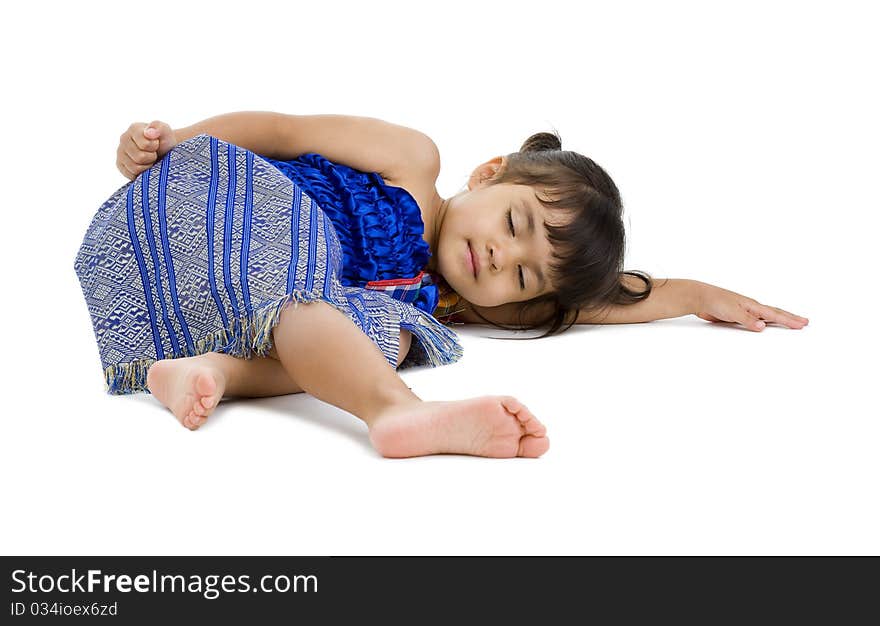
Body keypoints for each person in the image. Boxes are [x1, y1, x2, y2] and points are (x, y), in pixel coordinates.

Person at [78, 111, 808, 459]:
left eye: (523, 274)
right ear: (490, 173)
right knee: (314, 292)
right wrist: (172, 149)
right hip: (210, 208)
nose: (500, 255)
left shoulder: (438, 300)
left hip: (211, 305)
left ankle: (209, 372)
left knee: (392, 336)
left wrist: (691, 294)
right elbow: (281, 131)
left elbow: (586, 299)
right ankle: (396, 415)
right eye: (515, 221)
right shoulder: (410, 163)